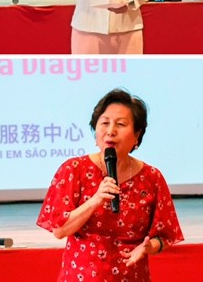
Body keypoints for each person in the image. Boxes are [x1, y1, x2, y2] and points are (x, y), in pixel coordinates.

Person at [37, 88, 183, 281]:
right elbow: (59, 230)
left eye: (120, 124)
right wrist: (95, 200)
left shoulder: (152, 177)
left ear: (137, 135)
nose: (110, 131)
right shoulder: (73, 170)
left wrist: (149, 247)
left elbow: (164, 236)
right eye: (104, 123)